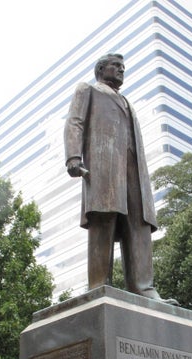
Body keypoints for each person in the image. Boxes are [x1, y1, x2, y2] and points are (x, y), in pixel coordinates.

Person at [64, 53, 173, 304]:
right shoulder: (88, 90)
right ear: (101, 69)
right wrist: (73, 158)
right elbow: (74, 123)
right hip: (104, 169)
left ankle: (144, 288)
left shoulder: (126, 101)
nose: (122, 70)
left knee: (139, 224)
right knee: (104, 218)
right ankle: (99, 286)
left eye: (123, 67)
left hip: (133, 170)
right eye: (116, 66)